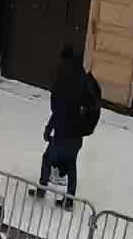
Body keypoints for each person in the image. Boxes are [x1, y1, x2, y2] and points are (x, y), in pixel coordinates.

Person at [33, 45, 102, 209]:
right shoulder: (84, 79)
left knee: (48, 158)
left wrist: (49, 127)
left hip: (63, 131)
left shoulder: (65, 80)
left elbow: (58, 109)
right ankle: (69, 200)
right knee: (71, 164)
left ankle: (42, 190)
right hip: (77, 133)